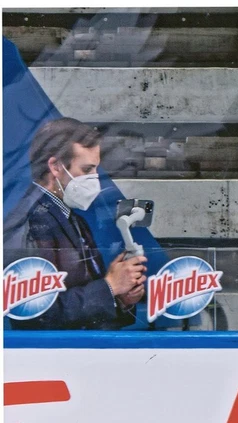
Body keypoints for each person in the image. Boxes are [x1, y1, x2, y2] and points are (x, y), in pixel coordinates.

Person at [3, 117, 146, 329]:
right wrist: (109, 287)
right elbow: (34, 313)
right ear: (55, 167)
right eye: (87, 170)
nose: (95, 179)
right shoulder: (30, 222)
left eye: (96, 169)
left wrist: (120, 299)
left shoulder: (71, 218)